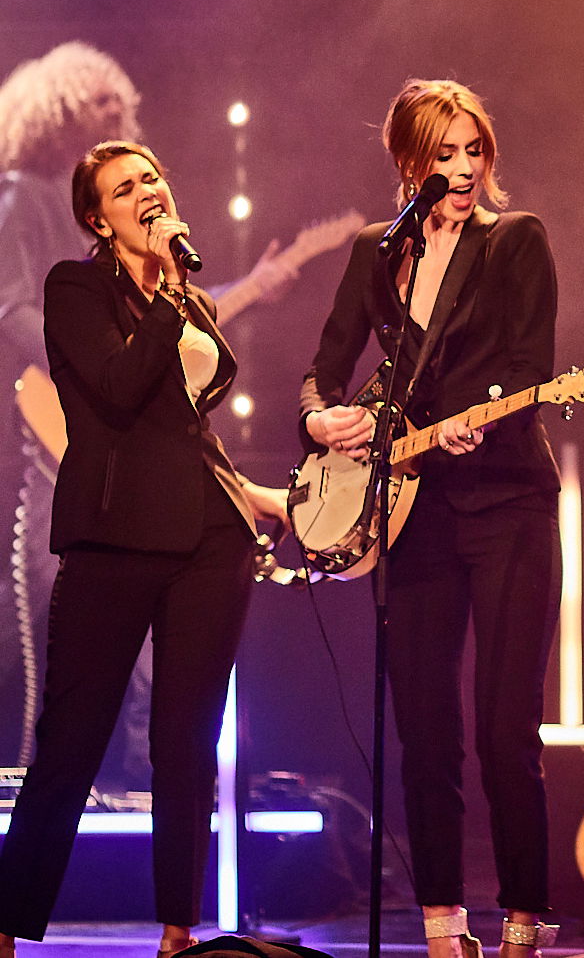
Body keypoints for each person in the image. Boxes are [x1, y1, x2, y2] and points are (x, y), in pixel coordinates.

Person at [0, 141, 287, 951]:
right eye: (126, 188)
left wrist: (252, 495)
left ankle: (177, 930)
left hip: (207, 538)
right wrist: (165, 295)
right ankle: (9, 925)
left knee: (187, 740)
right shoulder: (74, 287)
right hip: (115, 536)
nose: (147, 192)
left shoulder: (188, 301)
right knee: (72, 740)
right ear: (98, 217)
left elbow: (186, 430)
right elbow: (119, 392)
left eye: (153, 177)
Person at [299, 80, 560, 958]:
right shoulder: (376, 252)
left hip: (510, 499)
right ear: (409, 164)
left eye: (472, 151)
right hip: (415, 509)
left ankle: (524, 917)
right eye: (441, 155)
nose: (460, 170)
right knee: (424, 726)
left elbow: (529, 370)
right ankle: (441, 924)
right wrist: (317, 419)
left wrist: (464, 426)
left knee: (503, 725)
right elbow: (324, 369)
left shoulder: (516, 240)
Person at [0, 43, 298, 776]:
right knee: (67, 678)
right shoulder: (26, 201)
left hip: (176, 503)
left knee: (165, 706)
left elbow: (179, 375)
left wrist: (251, 286)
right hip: (71, 436)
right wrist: (79, 369)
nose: (111, 111)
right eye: (95, 103)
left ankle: (140, 808)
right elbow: (19, 309)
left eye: (149, 175)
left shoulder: (163, 276)